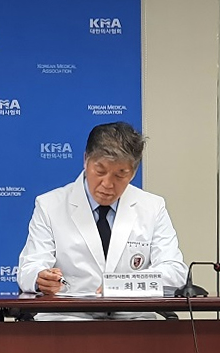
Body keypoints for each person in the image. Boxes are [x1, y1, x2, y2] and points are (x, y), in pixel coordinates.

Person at [17, 122, 187, 320]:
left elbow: (175, 271)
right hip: (68, 318)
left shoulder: (152, 207)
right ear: (86, 160)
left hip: (133, 319)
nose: (107, 184)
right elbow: (29, 268)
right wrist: (40, 278)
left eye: (120, 174)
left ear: (133, 172)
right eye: (100, 171)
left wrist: (121, 287)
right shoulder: (50, 205)